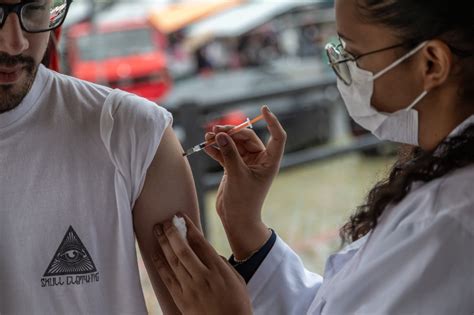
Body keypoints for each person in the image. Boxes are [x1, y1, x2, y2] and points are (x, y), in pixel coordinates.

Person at [152, 0, 474, 314]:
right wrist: (244, 226)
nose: (342, 67)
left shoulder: (449, 225)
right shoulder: (439, 177)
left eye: (354, 54)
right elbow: (334, 304)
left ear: (431, 63)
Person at [0, 0, 200, 314]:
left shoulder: (133, 132)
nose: (16, 42)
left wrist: (248, 230)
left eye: (35, 8)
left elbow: (199, 307)